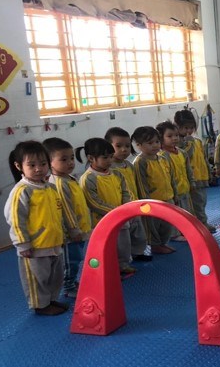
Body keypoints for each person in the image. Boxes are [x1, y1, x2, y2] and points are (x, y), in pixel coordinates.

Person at [4, 141, 69, 316]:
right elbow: (16, 219)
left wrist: (62, 234)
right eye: (32, 165)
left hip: (53, 243)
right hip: (34, 247)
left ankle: (51, 300)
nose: (39, 169)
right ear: (19, 166)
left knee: (55, 276)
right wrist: (22, 244)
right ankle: (40, 305)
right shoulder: (22, 191)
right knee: (36, 279)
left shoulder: (50, 188)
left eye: (43, 164)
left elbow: (57, 214)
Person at [76, 137, 136, 278]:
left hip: (121, 218)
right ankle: (109, 270)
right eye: (105, 158)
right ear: (91, 158)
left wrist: (127, 209)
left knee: (123, 244)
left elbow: (126, 192)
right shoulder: (88, 178)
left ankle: (122, 265)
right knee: (107, 247)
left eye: (110, 156)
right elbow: (94, 202)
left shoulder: (117, 173)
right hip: (102, 222)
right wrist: (116, 213)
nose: (109, 160)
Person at [44, 137, 91, 299]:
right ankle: (68, 286)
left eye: (71, 158)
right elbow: (66, 210)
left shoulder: (69, 178)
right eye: (63, 159)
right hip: (70, 234)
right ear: (49, 162)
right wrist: (73, 230)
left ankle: (72, 281)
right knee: (70, 261)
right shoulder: (58, 183)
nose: (70, 162)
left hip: (79, 229)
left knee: (77, 258)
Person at [105, 127, 152, 262]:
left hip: (134, 204)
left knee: (138, 232)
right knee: (122, 237)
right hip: (120, 207)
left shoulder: (129, 165)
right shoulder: (109, 169)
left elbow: (136, 184)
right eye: (118, 146)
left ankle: (138, 252)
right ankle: (122, 260)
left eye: (127, 146)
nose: (124, 150)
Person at [132, 125, 176, 255]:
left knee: (167, 224)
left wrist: (175, 195)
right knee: (153, 225)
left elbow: (170, 177)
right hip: (153, 202)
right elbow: (141, 184)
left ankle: (163, 243)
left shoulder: (163, 158)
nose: (155, 145)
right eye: (150, 143)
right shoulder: (140, 162)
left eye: (157, 141)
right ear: (139, 145)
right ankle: (156, 245)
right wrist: (147, 202)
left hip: (168, 198)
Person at [174, 109, 215, 232]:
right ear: (177, 127)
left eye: (191, 128)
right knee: (195, 204)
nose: (189, 131)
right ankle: (201, 224)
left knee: (202, 201)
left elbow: (203, 157)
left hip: (201, 177)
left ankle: (198, 223)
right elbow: (185, 156)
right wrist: (189, 143)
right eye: (185, 128)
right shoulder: (178, 143)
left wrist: (209, 171)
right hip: (191, 179)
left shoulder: (197, 141)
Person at [157, 121, 194, 241]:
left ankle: (186, 230)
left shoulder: (182, 153)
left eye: (176, 135)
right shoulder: (162, 156)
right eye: (169, 136)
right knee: (174, 213)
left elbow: (188, 170)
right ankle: (174, 234)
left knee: (186, 211)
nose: (174, 138)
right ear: (161, 138)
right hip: (173, 191)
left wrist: (191, 182)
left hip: (184, 188)